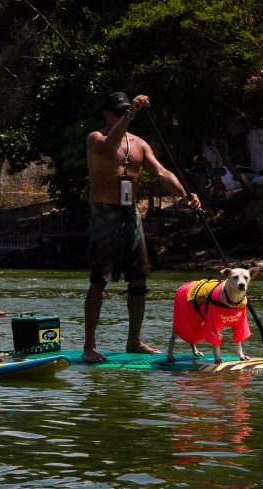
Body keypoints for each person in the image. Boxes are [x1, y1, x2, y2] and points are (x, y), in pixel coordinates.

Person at [83, 92, 201, 363]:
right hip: (104, 214)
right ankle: (89, 346)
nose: (123, 116)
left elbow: (161, 173)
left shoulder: (139, 144)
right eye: (119, 112)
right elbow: (109, 143)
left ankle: (134, 341)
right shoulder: (96, 138)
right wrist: (132, 113)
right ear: (106, 113)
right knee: (99, 281)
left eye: (126, 111)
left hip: (131, 214)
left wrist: (186, 194)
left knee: (139, 279)